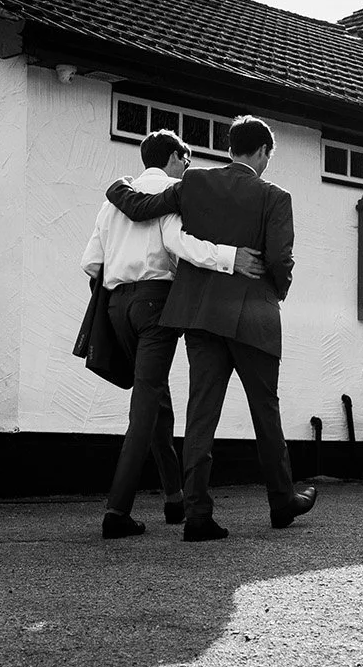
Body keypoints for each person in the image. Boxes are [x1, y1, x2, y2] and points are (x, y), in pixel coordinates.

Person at [107, 115, 315, 541]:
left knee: (200, 412)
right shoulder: (276, 196)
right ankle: (281, 501)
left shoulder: (195, 183)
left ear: (229, 148)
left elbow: (143, 209)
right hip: (253, 313)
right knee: (265, 408)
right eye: (268, 155)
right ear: (261, 153)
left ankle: (198, 513)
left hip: (200, 315)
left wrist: (115, 188)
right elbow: (280, 258)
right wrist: (278, 288)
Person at [81, 129, 262, 540]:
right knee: (145, 408)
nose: (189, 165)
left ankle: (174, 497)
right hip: (155, 306)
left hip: (117, 306)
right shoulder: (171, 195)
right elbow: (180, 244)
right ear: (175, 156)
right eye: (187, 157)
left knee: (155, 398)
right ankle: (117, 510)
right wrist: (232, 259)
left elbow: (91, 262)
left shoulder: (113, 202)